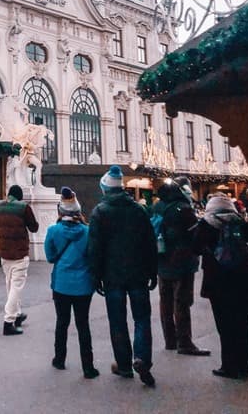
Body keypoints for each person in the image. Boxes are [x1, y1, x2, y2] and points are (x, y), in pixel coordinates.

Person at [88, 165, 158, 387]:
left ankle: (124, 365)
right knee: (142, 318)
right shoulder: (139, 210)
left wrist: (96, 275)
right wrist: (152, 271)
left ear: (106, 189)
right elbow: (150, 243)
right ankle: (142, 358)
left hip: (112, 275)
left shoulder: (100, 212)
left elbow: (95, 248)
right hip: (138, 274)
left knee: (117, 320)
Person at [194, 193, 248, 380]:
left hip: (218, 283)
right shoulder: (241, 223)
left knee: (225, 326)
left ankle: (229, 366)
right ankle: (243, 367)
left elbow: (195, 248)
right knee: (244, 326)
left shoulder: (207, 224)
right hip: (244, 281)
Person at [44, 187, 99, 379]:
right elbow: (94, 256)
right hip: (83, 286)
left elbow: (50, 257)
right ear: (78, 212)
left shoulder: (53, 231)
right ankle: (88, 367)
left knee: (62, 322)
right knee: (83, 324)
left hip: (61, 284)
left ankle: (59, 359)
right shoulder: (88, 231)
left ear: (61, 211)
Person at [153, 179, 211, 356]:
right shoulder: (184, 208)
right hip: (183, 261)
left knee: (166, 302)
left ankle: (170, 340)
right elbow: (196, 235)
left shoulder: (158, 206)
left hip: (162, 259)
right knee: (182, 302)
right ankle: (184, 342)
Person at [0, 184, 38, 336]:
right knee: (16, 287)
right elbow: (34, 227)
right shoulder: (23, 207)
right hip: (19, 253)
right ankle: (8, 321)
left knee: (10, 284)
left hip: (5, 252)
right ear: (19, 196)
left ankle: (17, 314)